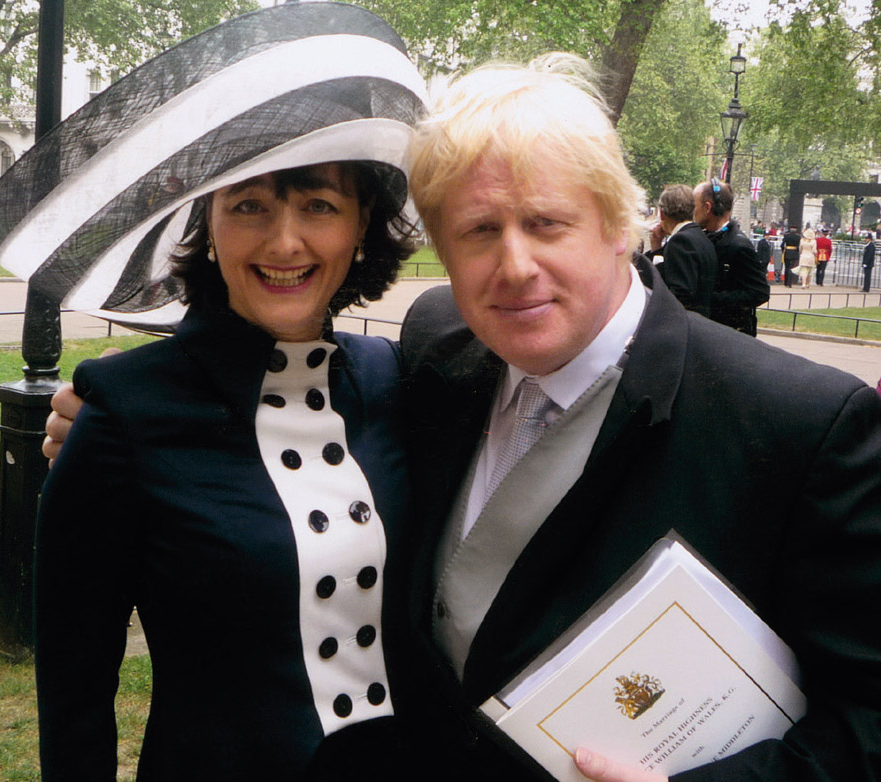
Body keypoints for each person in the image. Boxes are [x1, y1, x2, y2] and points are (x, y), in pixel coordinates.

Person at [44, 53, 881, 782]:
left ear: (621, 223)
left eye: (546, 221)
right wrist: (118, 413)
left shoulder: (803, 424)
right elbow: (77, 683)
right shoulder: (436, 354)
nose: (514, 266)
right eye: (479, 230)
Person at [0, 5, 429, 780]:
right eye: (248, 205)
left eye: (318, 204)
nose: (284, 241)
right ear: (207, 227)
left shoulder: (394, 379)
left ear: (360, 229)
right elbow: (76, 692)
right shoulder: (121, 410)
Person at [692, 179, 768, 335]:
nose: (691, 211)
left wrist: (709, 298)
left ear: (707, 208)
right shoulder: (702, 237)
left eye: (694, 206)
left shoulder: (738, 246)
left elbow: (759, 292)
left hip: (727, 333)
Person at [647, 184, 717, 316]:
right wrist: (656, 246)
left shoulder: (680, 241)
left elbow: (678, 294)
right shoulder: (700, 236)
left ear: (662, 213)